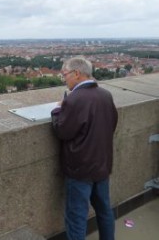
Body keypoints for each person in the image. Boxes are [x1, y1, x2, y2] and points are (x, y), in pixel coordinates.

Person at [51, 56, 118, 240]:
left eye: (65, 74)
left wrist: (58, 110)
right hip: (102, 165)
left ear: (77, 74)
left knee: (76, 217)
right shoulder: (106, 95)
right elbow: (112, 124)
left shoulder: (75, 99)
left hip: (80, 169)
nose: (64, 79)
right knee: (104, 210)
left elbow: (62, 131)